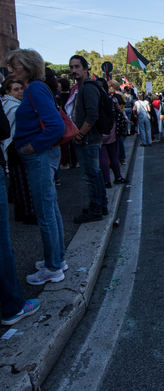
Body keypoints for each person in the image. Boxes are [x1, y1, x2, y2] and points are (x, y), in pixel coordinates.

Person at [6, 48, 67, 285]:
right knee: (50, 209)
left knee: (45, 212)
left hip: (40, 155)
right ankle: (57, 260)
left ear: (29, 67)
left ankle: (53, 267)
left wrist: (32, 147)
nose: (10, 70)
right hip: (42, 155)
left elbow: (55, 127)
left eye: (15, 66)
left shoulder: (35, 88)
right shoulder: (36, 88)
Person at [0, 101, 40, 325]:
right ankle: (13, 305)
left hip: (14, 155)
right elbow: (4, 129)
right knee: (2, 243)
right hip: (13, 154)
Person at [69, 54, 108, 222]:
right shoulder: (83, 86)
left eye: (77, 67)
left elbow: (92, 115)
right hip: (88, 138)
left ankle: (96, 209)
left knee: (90, 175)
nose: (73, 70)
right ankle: (101, 205)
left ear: (86, 69)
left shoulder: (88, 87)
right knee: (95, 174)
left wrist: (79, 135)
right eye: (71, 67)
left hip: (88, 139)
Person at [1, 77, 36, 224]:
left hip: (13, 145)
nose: (20, 91)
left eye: (21, 88)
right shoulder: (12, 106)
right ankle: (28, 213)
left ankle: (20, 212)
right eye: (16, 89)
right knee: (23, 181)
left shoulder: (10, 103)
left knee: (17, 182)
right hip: (15, 146)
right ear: (8, 91)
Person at [97, 78, 128, 188]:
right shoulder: (113, 99)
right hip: (111, 130)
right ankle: (118, 177)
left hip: (99, 131)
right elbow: (120, 113)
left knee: (103, 157)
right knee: (114, 155)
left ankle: (106, 181)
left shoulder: (95, 99)